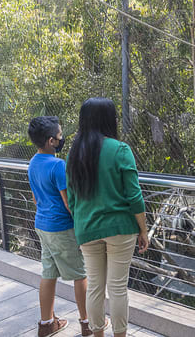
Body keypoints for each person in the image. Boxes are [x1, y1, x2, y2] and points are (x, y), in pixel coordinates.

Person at [66, 97, 149, 337]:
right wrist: (143, 230)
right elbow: (134, 197)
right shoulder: (120, 149)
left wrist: (84, 220)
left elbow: (72, 200)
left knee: (94, 287)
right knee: (118, 288)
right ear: (109, 120)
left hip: (87, 228)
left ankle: (97, 334)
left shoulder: (74, 153)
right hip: (120, 228)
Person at [27, 116, 98, 337]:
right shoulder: (58, 166)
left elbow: (35, 199)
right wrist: (83, 224)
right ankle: (89, 324)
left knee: (48, 273)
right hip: (61, 227)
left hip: (42, 224)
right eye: (59, 136)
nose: (62, 139)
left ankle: (46, 323)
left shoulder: (33, 162)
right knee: (80, 274)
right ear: (50, 141)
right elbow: (70, 203)